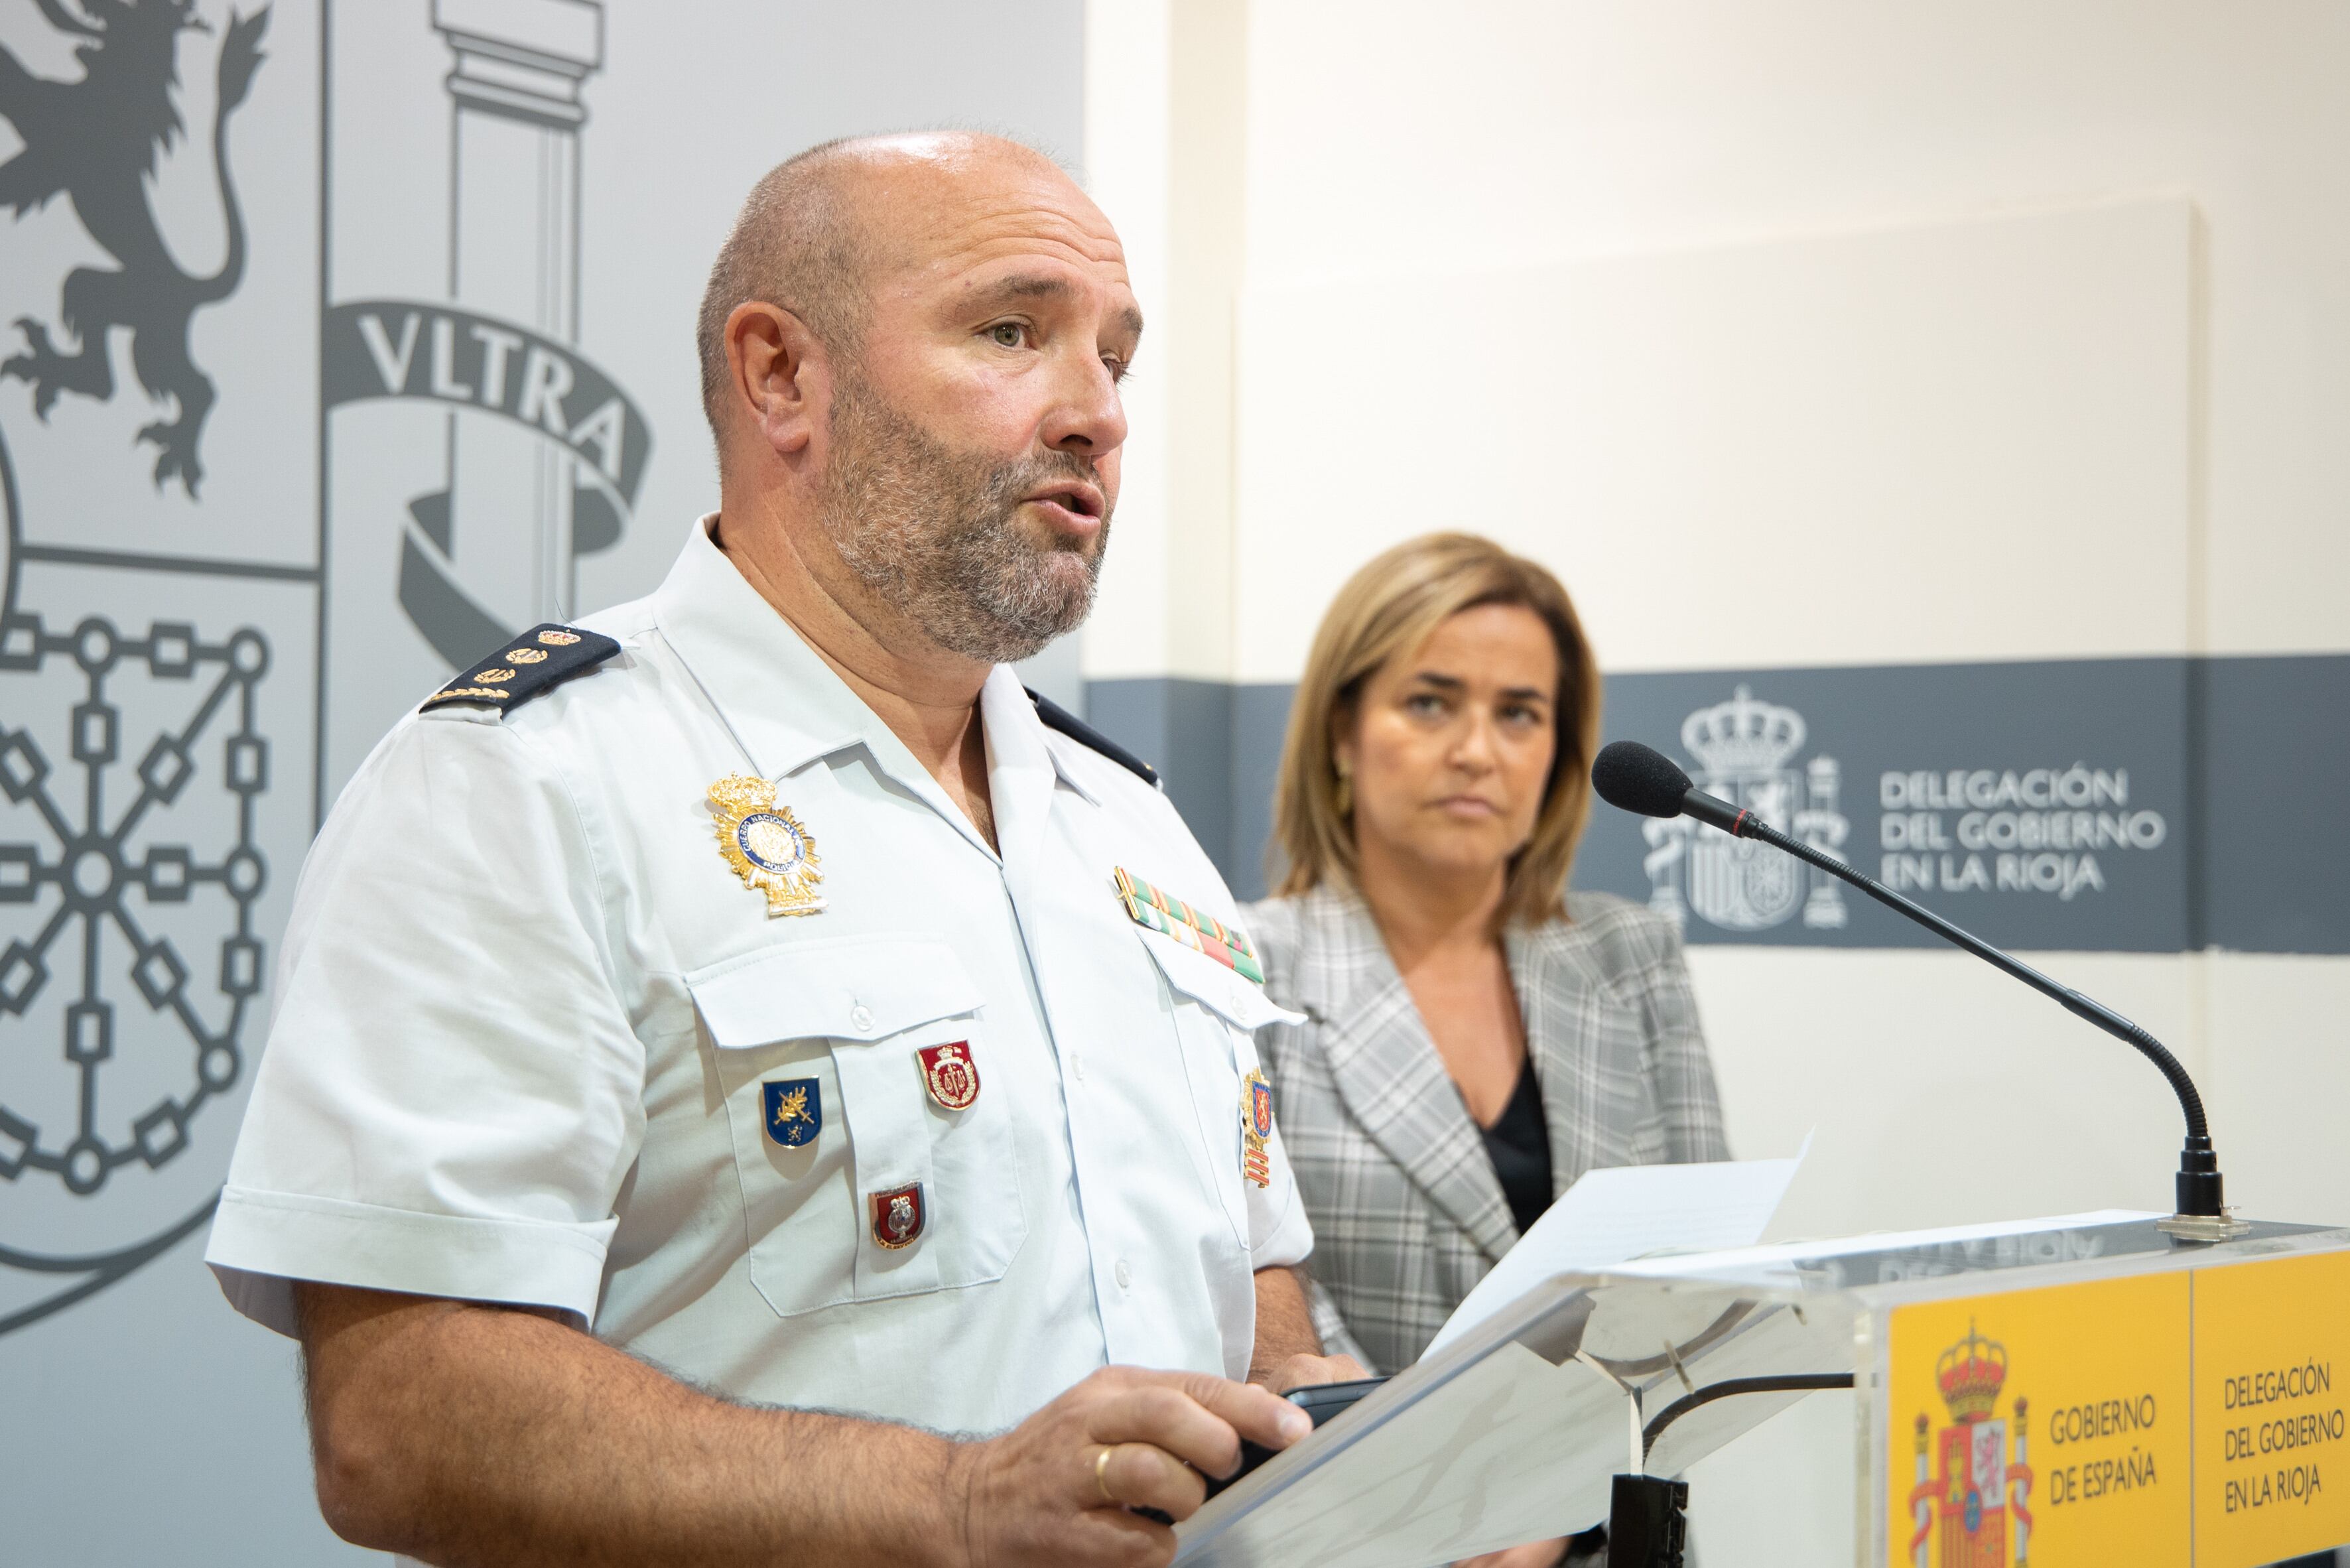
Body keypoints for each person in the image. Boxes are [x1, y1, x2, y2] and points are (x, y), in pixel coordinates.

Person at [203, 132, 1358, 1568]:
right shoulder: (528, 784)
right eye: (1013, 331)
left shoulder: (1127, 822)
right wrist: (952, 1504)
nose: (1097, 414)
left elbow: (1242, 1278)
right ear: (780, 378)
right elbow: (401, 1419)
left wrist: (1359, 1442)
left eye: (1116, 358)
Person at [1247, 533, 1730, 1568]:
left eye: (1520, 714)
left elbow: (1695, 1284)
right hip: (1355, 1539)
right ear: (1343, 731)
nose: (1477, 749)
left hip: (1605, 1535)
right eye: (1431, 702)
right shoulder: (1248, 968)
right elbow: (1265, 1299)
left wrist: (1555, 1505)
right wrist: (1437, 1506)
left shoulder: (1630, 958)